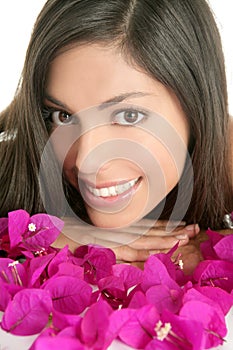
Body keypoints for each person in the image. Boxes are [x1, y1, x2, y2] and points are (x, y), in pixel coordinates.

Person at [0, 0, 232, 271]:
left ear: (197, 106)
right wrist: (45, 234)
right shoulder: (26, 155)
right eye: (63, 116)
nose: (86, 161)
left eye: (128, 116)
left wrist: (208, 244)